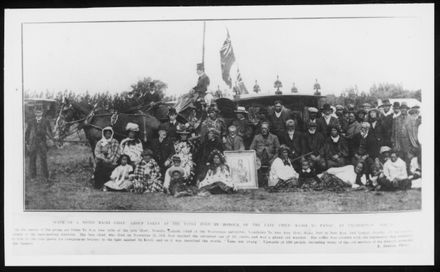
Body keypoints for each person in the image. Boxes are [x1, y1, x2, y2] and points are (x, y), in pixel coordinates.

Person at [25, 108, 54, 181]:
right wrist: (27, 142)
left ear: (42, 113)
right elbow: (27, 132)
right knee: (32, 159)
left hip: (42, 142)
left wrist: (51, 139)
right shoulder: (31, 121)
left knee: (43, 159)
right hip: (33, 142)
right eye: (37, 112)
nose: (38, 114)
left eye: (40, 112)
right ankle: (32, 177)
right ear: (35, 113)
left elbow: (50, 131)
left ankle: (46, 177)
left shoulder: (46, 121)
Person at [250, 122, 280, 187]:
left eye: (265, 128)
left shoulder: (274, 137)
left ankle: (273, 183)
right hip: (259, 158)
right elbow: (251, 149)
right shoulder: (256, 137)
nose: (264, 130)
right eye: (262, 128)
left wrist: (273, 159)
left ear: (268, 129)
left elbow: (278, 150)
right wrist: (256, 158)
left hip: (271, 158)